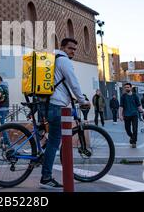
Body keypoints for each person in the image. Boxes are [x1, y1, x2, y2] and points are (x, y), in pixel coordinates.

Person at [39, 38, 90, 189]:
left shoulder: (53, 59)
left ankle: (42, 149)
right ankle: (46, 178)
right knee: (55, 142)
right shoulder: (64, 61)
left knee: (51, 138)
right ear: (62, 47)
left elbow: (62, 85)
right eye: (70, 48)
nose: (72, 51)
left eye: (74, 49)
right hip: (55, 106)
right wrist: (82, 100)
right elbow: (73, 82)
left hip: (46, 103)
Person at [119, 83, 143, 148]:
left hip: (134, 115)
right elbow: (121, 106)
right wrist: (120, 115)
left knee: (135, 129)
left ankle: (134, 142)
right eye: (126, 87)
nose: (127, 88)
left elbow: (139, 105)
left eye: (128, 87)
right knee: (127, 130)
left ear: (131, 88)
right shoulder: (123, 96)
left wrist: (143, 111)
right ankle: (132, 137)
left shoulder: (135, 96)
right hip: (126, 115)